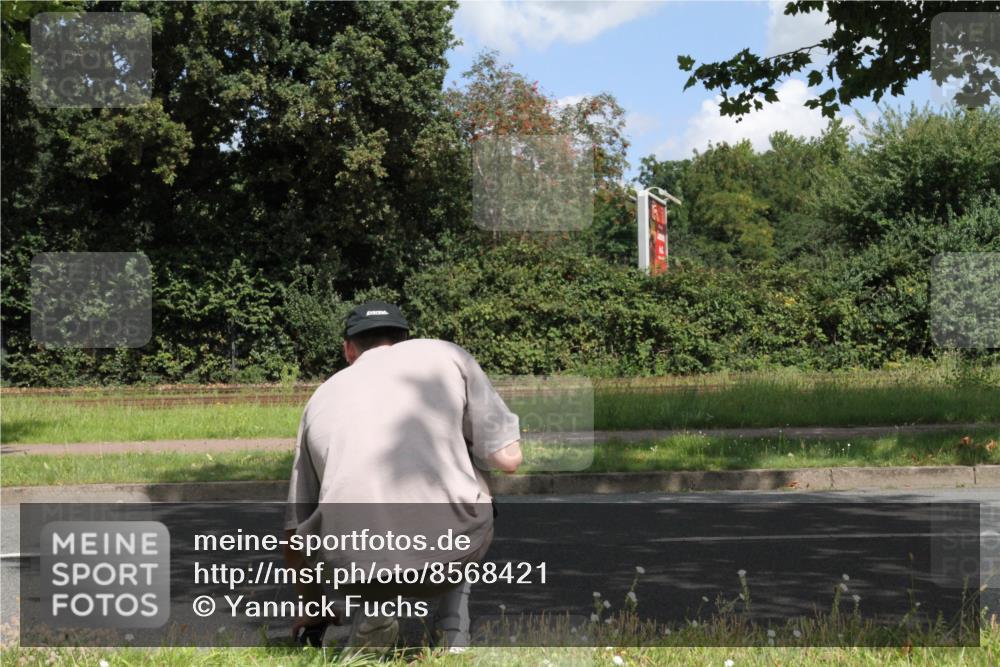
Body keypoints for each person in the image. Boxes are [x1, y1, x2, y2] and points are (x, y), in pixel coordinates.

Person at [283, 300, 523, 651]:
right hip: (447, 555)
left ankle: (374, 606)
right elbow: (508, 460)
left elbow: (293, 531)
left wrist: (314, 608)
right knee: (473, 466)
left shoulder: (320, 397)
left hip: (355, 565)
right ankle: (454, 630)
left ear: (349, 349)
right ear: (402, 340)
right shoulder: (446, 355)